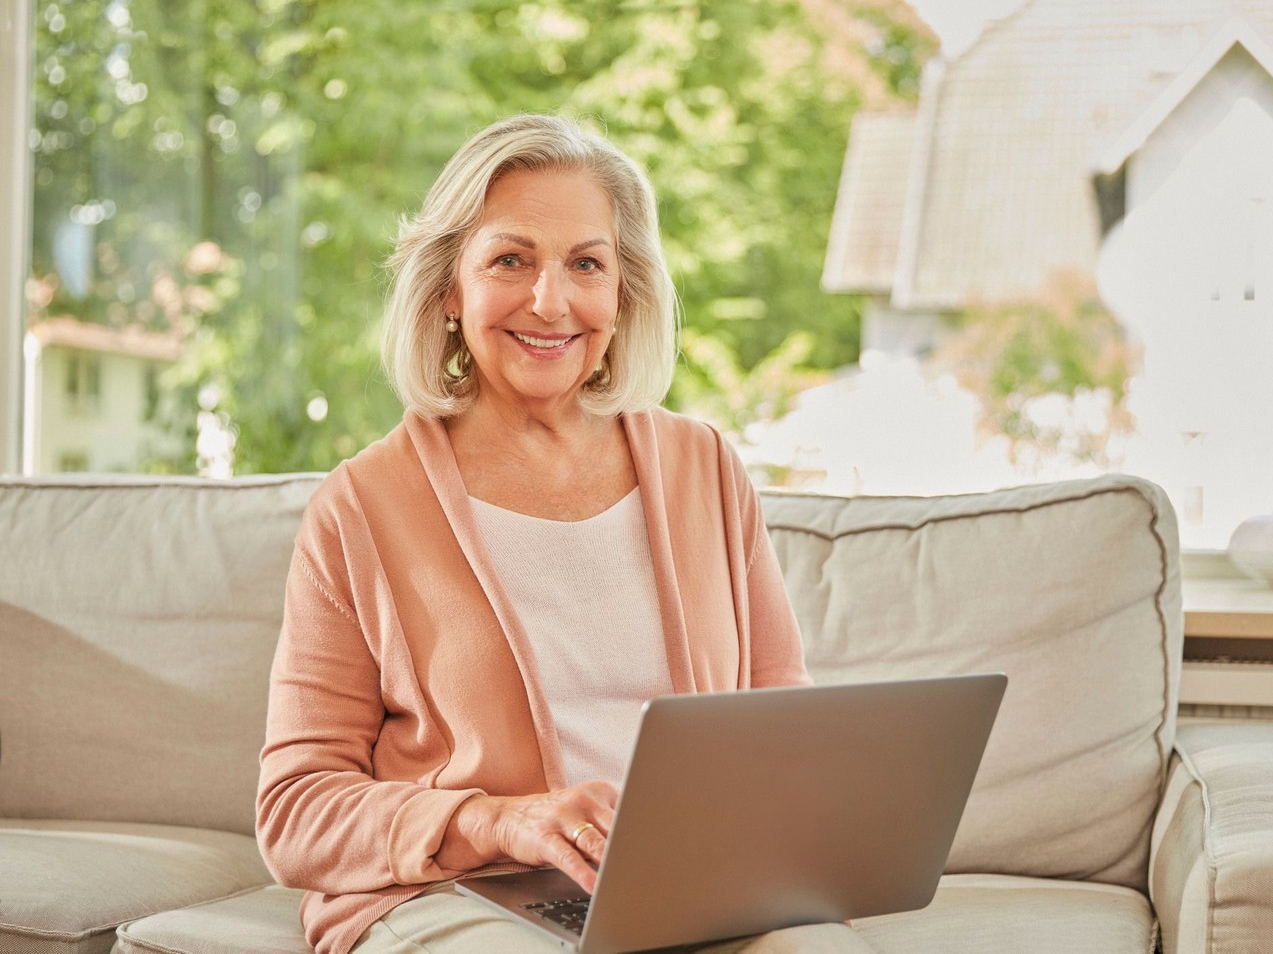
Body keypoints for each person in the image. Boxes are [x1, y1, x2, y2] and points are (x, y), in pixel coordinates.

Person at [255, 114, 849, 954]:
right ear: (450, 291)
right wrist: (501, 823)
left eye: (586, 264)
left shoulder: (704, 466)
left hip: (689, 887)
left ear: (621, 291)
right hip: (457, 893)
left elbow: (781, 712)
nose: (551, 300)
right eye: (510, 260)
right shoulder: (359, 506)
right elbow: (294, 810)